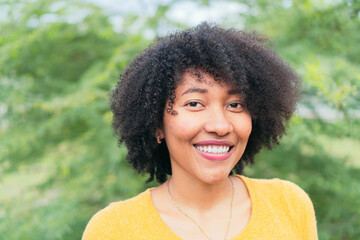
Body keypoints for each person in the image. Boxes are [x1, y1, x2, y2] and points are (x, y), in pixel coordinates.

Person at [82, 22, 318, 240]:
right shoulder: (113, 229)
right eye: (194, 103)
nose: (220, 126)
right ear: (156, 124)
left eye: (235, 105)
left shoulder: (289, 205)